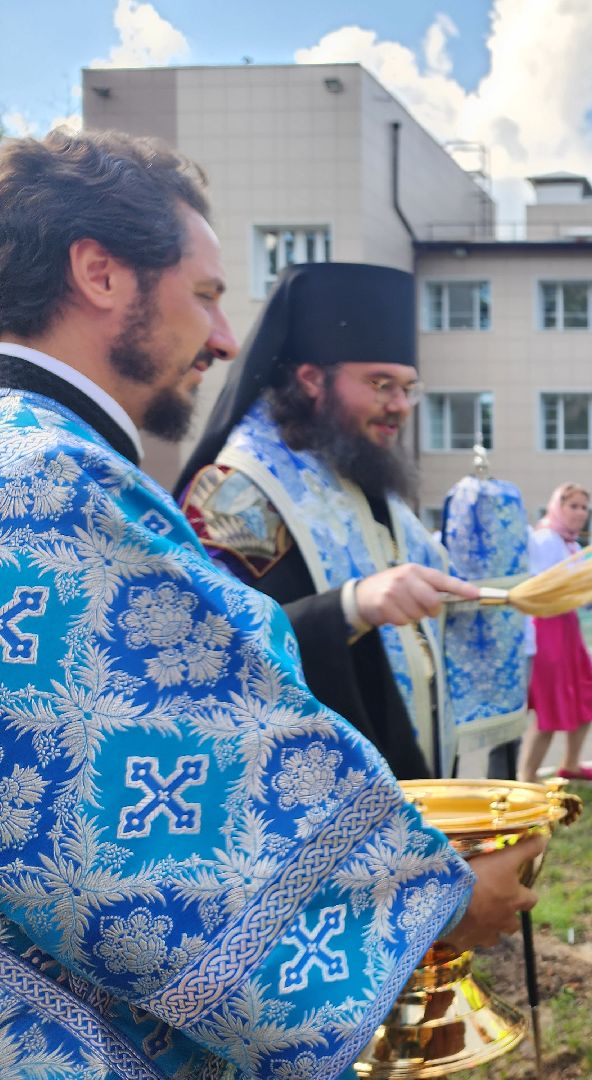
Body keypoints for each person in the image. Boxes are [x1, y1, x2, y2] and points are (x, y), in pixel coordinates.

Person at [0, 129, 541, 1078]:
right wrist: (434, 903)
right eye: (206, 293)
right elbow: (167, 785)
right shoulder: (53, 482)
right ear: (98, 273)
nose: (221, 336)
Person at [176, 262, 505, 781]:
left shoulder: (362, 475)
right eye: (380, 385)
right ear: (310, 379)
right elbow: (211, 650)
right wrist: (353, 607)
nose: (399, 406)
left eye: (408, 389)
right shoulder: (235, 491)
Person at [441, 443, 532, 781]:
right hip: (461, 626)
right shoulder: (460, 501)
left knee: (507, 737)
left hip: (506, 625)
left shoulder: (508, 498)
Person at [518, 482, 592, 783]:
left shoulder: (571, 545)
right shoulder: (544, 539)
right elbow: (538, 589)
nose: (580, 513)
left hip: (568, 628)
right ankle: (526, 777)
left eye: (584, 507)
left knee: (586, 696)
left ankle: (571, 763)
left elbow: (582, 595)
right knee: (549, 709)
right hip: (547, 628)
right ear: (558, 507)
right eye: (573, 505)